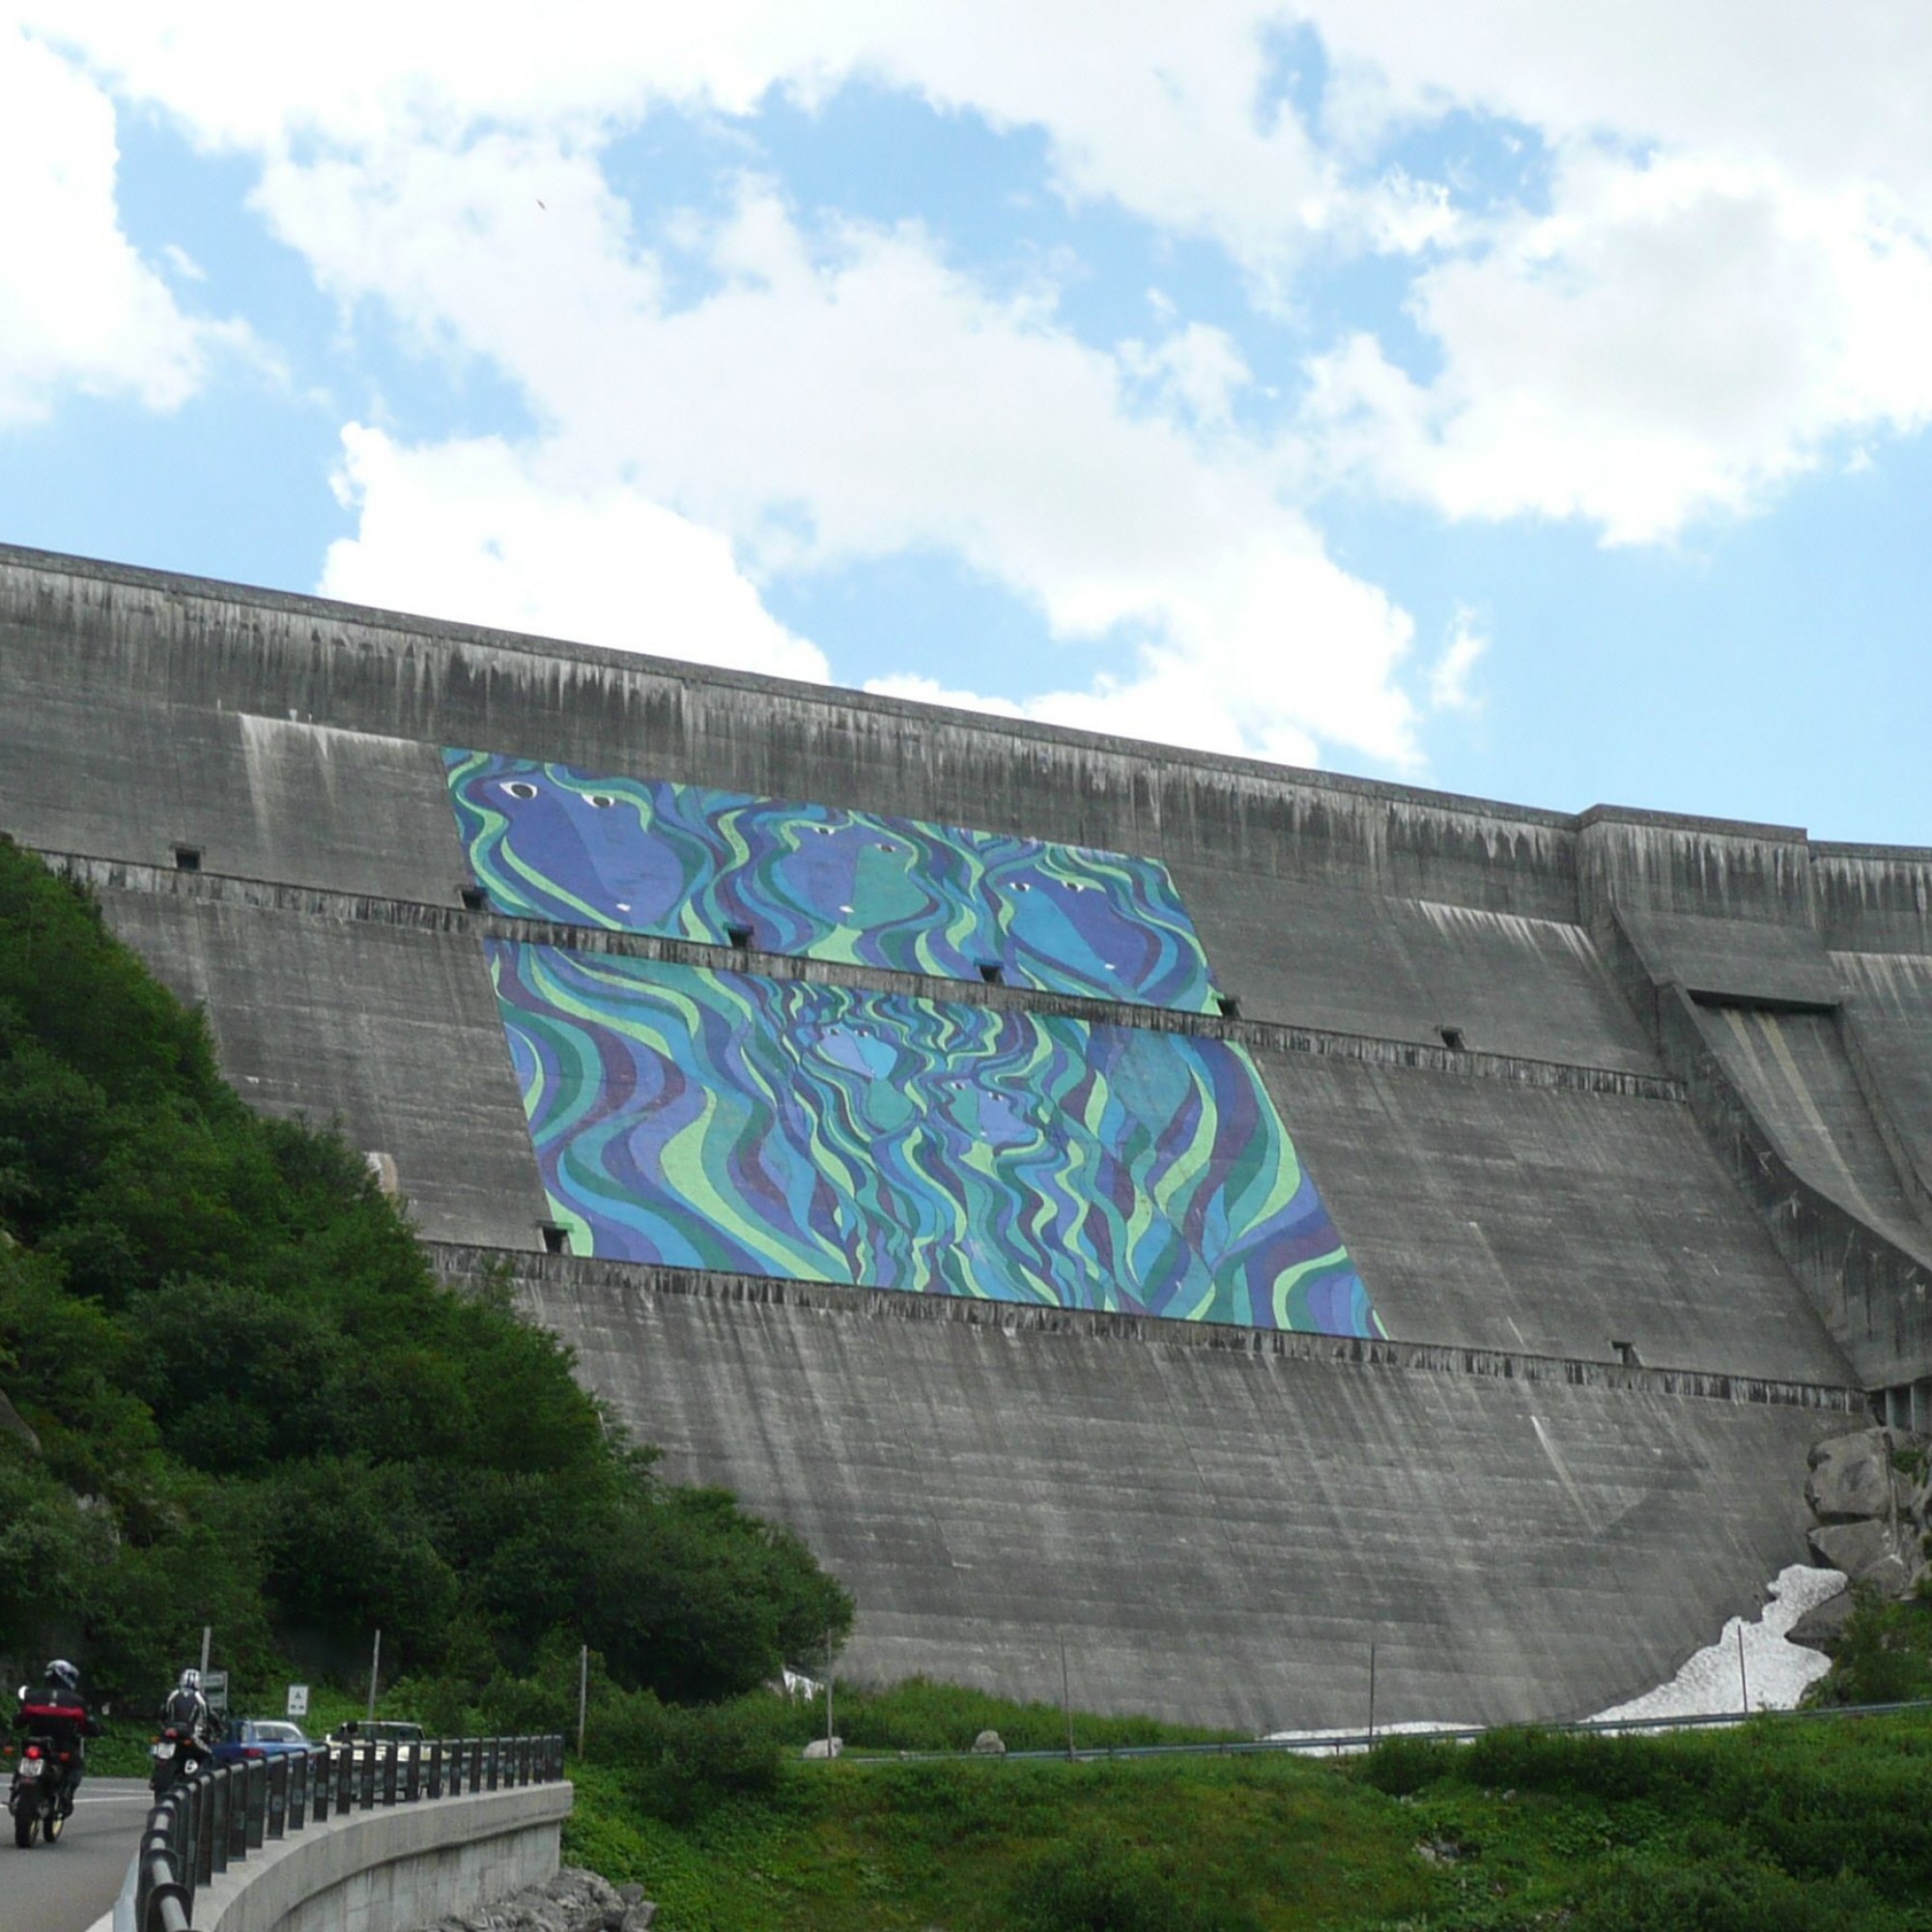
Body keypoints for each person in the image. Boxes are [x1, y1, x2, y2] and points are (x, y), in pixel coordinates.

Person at [14, 1660, 101, 1815]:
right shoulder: (76, 1701)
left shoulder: (33, 1696)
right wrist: (95, 1730)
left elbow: (19, 1721)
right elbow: (87, 1726)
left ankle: (16, 1787)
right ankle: (66, 1796)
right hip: (61, 1747)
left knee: (21, 1759)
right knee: (77, 1766)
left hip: (34, 1744)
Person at [158, 1667, 214, 1775]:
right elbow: (209, 1715)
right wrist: (216, 1728)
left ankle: (159, 1771)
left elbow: (162, 1711)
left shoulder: (172, 1694)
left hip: (169, 1730)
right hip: (190, 1733)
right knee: (208, 1754)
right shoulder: (200, 1697)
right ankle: (195, 1777)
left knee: (159, 1749)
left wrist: (163, 1725)